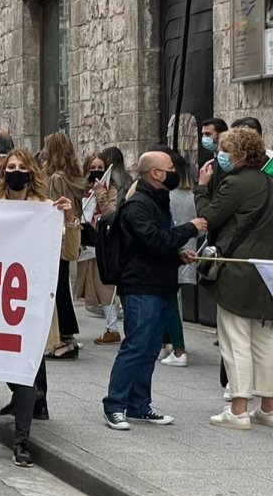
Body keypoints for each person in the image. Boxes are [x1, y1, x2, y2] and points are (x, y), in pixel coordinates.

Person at [0, 148, 79, 467]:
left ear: (32, 173)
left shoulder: (46, 209)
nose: (15, 172)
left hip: (28, 304)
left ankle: (21, 442)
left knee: (24, 376)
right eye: (10, 168)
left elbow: (70, 254)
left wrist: (70, 219)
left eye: (22, 167)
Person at [102, 151, 206, 431]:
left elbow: (157, 243)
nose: (174, 171)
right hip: (140, 286)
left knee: (149, 349)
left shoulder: (157, 201)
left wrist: (177, 254)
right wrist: (189, 229)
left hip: (158, 283)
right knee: (136, 346)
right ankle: (114, 404)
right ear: (156, 174)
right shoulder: (138, 205)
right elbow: (152, 240)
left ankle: (138, 405)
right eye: (170, 167)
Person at [194, 128, 273, 429]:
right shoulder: (269, 181)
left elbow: (208, 219)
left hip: (237, 269)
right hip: (266, 270)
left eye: (225, 150)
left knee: (235, 338)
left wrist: (202, 189)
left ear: (238, 155)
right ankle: (268, 407)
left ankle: (239, 409)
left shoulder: (236, 183)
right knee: (264, 339)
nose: (220, 156)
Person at [42, 132, 85, 359]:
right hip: (71, 233)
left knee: (56, 288)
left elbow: (53, 207)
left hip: (58, 237)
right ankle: (66, 336)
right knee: (61, 287)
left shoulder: (56, 179)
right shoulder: (73, 177)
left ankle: (64, 337)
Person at [159, 152, 198, 368]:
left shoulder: (167, 196)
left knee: (169, 302)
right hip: (188, 253)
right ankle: (165, 344)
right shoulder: (192, 195)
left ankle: (179, 349)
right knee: (170, 299)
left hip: (174, 253)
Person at [79, 154, 122, 344]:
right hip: (85, 241)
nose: (96, 170)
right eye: (92, 166)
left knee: (104, 287)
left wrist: (100, 194)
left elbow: (111, 213)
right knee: (85, 284)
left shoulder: (110, 190)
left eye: (100, 167)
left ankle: (112, 329)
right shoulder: (81, 188)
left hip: (102, 242)